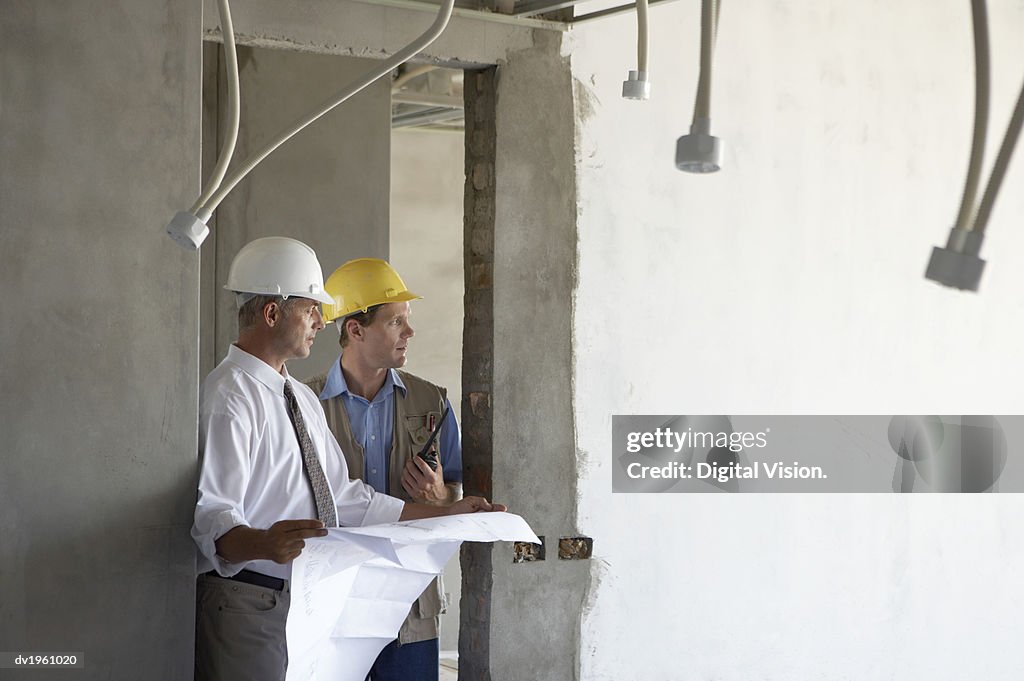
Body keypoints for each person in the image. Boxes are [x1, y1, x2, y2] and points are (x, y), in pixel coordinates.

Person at [191, 238, 502, 681]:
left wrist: (447, 513)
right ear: (272, 313)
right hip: (250, 602)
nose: (321, 320)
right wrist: (264, 543)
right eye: (310, 309)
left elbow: (345, 498)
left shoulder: (297, 396)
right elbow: (212, 520)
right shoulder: (229, 396)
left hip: (308, 601)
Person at [304, 258, 460, 681]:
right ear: (355, 330)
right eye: (396, 322)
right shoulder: (302, 404)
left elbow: (456, 491)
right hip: (331, 603)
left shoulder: (434, 403)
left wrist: (441, 496)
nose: (409, 333)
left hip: (410, 606)